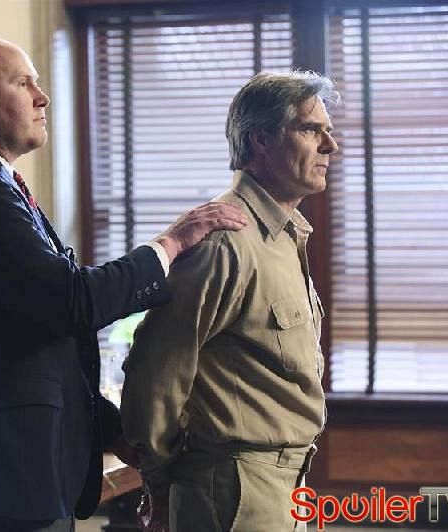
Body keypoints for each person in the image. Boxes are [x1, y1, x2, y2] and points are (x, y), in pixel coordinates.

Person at [0, 38, 248, 532]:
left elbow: (35, 335)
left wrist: (107, 428)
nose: (42, 97)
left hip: (19, 476)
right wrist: (171, 243)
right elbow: (74, 301)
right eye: (23, 83)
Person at [119, 71, 339, 532]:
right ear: (261, 139)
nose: (330, 146)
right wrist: (159, 483)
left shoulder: (285, 234)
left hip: (286, 483)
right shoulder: (225, 242)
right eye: (310, 129)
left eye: (328, 131)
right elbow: (156, 373)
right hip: (233, 489)